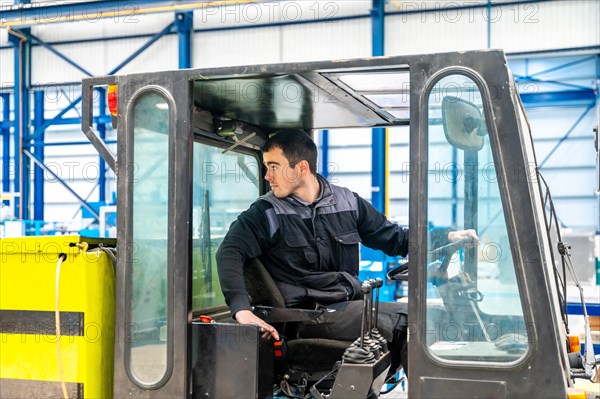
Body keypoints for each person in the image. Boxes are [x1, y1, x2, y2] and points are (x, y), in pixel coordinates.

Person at [216, 128, 478, 375]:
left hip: (348, 306)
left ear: (301, 168)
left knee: (427, 316)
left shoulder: (347, 203)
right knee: (414, 323)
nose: (267, 176)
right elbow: (229, 252)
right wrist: (242, 310)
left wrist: (445, 236)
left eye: (273, 167)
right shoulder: (265, 214)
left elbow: (395, 239)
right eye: (266, 167)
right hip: (309, 316)